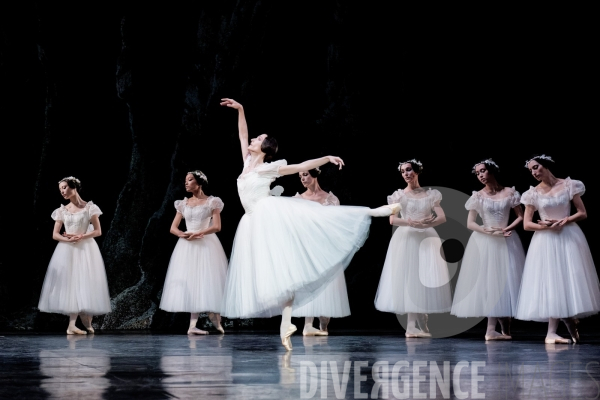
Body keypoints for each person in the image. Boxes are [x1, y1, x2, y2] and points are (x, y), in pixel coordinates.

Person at [219, 98, 398, 350]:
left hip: (266, 213)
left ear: (265, 148)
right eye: (255, 137)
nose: (252, 140)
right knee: (277, 274)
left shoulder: (268, 169)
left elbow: (302, 166)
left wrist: (326, 157)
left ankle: (372, 212)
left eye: (258, 139)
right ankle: (286, 324)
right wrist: (240, 110)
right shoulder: (248, 163)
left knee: (316, 222)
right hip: (251, 220)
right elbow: (241, 134)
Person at [516, 155, 600, 344]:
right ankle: (552, 332)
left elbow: (582, 213)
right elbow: (527, 225)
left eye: (536, 167)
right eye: (530, 170)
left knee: (569, 278)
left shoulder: (569, 185)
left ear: (546, 166)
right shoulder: (532, 194)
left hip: (569, 235)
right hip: (546, 240)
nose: (534, 172)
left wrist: (565, 220)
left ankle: (569, 320)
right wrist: (546, 226)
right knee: (552, 280)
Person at [374, 159, 452, 338]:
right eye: (403, 171)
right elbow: (392, 220)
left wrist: (428, 222)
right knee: (410, 277)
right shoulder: (399, 195)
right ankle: (411, 326)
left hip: (426, 237)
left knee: (424, 277)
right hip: (407, 237)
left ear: (417, 171)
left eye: (409, 170)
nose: (406, 174)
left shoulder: (431, 194)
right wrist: (411, 222)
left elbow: (442, 217)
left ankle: (421, 318)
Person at [450, 159, 525, 340]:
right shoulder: (478, 196)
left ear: (492, 171)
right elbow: (470, 223)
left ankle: (504, 326)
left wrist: (506, 229)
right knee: (491, 281)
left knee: (506, 280)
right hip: (485, 240)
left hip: (506, 238)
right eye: (477, 173)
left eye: (483, 171)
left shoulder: (510, 192)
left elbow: (521, 216)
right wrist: (487, 230)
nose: (480, 175)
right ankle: (491, 329)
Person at [38, 176, 111, 334]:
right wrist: (67, 239)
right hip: (67, 249)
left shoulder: (90, 208)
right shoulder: (62, 211)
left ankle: (84, 316)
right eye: (60, 189)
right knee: (72, 283)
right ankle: (72, 324)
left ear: (73, 187)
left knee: (86, 281)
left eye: (64, 187)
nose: (62, 191)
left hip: (86, 248)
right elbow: (55, 234)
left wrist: (81, 236)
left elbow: (98, 231)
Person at [159, 171, 227, 335]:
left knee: (207, 279)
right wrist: (183, 234)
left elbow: (217, 226)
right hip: (187, 244)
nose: (186, 183)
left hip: (206, 243)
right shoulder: (183, 204)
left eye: (190, 180)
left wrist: (199, 232)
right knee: (191, 281)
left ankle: (214, 315)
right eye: (185, 181)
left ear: (199, 183)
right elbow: (173, 227)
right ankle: (192, 325)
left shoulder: (212, 202)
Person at [291, 168, 350, 335]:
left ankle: (323, 325)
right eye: (300, 175)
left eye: (305, 174)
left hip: (326, 246)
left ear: (315, 175)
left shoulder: (330, 199)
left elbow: (337, 224)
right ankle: (308, 325)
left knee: (326, 290)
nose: (302, 178)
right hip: (307, 246)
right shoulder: (297, 199)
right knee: (309, 284)